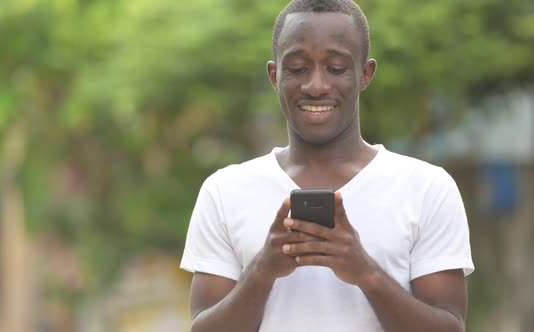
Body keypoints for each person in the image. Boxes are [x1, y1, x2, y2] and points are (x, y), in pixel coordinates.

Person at [180, 0, 474, 331]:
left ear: (365, 74)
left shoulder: (427, 188)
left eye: (335, 68)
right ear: (274, 76)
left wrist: (365, 272)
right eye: (297, 68)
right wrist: (262, 270)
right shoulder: (224, 191)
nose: (316, 86)